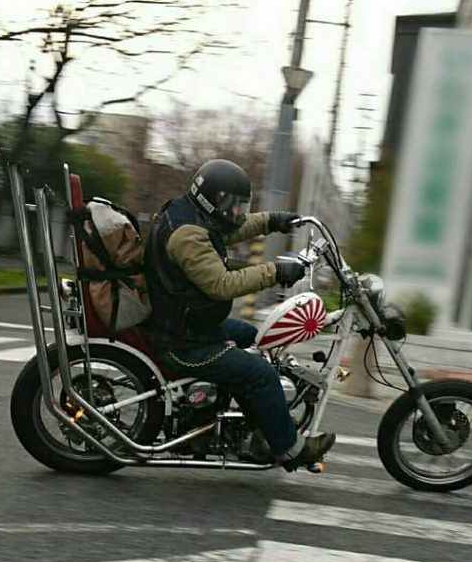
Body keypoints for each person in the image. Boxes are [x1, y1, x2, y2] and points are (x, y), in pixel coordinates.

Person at [144, 159, 336, 470]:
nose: (237, 211)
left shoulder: (191, 214)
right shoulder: (188, 236)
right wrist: (275, 271)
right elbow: (221, 285)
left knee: (255, 338)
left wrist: (274, 220)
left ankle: (259, 429)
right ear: (213, 200)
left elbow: (233, 227)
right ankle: (289, 448)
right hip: (183, 341)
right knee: (259, 372)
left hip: (190, 324)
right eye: (233, 204)